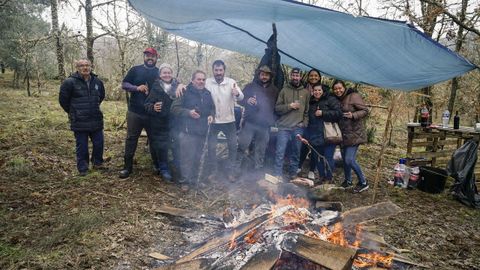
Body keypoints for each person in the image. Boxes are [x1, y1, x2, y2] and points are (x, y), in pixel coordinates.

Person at [59, 59, 105, 176]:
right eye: (82, 66)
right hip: (79, 120)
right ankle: (83, 168)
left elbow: (101, 96)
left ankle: (97, 163)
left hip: (95, 118)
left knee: (99, 143)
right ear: (77, 68)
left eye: (87, 65)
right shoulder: (69, 82)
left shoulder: (97, 82)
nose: (85, 68)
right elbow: (63, 100)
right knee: (82, 146)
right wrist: (73, 112)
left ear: (91, 67)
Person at [171, 70, 215, 191]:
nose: (201, 81)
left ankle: (196, 180)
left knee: (199, 157)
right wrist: (188, 112)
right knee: (186, 158)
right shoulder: (184, 92)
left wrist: (211, 115)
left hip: (202, 131)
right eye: (198, 79)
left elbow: (212, 108)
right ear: (192, 80)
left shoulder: (207, 93)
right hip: (187, 132)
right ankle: (185, 182)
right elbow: (174, 108)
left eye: (203, 79)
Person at [119, 47, 160, 178]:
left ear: (156, 58)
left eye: (152, 56)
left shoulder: (159, 73)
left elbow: (169, 86)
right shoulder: (135, 70)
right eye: (147, 55)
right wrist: (136, 88)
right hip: (135, 112)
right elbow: (124, 84)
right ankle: (127, 167)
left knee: (154, 139)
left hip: (153, 113)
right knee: (131, 139)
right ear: (144, 57)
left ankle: (156, 165)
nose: (150, 58)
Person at [235, 65, 278, 176]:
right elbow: (239, 100)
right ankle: (236, 169)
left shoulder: (274, 90)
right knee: (242, 146)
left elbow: (277, 107)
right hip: (250, 123)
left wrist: (272, 120)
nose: (264, 76)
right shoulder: (250, 86)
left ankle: (257, 171)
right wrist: (247, 100)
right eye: (262, 74)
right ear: (259, 75)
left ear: (270, 76)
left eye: (267, 75)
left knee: (261, 150)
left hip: (265, 125)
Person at [205, 60, 243, 180]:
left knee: (233, 146)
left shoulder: (231, 82)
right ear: (213, 70)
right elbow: (196, 88)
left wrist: (236, 94)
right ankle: (213, 171)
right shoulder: (207, 82)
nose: (218, 72)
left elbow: (241, 97)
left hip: (229, 120)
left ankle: (230, 172)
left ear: (224, 70)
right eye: (216, 70)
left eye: (220, 70)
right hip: (213, 120)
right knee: (211, 147)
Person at [332, 80, 369, 193]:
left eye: (340, 88)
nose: (338, 90)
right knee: (345, 159)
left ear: (344, 87)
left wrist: (353, 115)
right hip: (343, 135)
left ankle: (363, 182)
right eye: (335, 89)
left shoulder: (353, 96)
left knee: (349, 159)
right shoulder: (337, 100)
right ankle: (348, 181)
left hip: (354, 134)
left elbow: (365, 110)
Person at [273, 68, 309, 180]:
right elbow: (277, 109)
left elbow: (307, 112)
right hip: (284, 127)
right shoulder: (284, 90)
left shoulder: (305, 93)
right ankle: (277, 174)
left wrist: (304, 123)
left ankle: (293, 174)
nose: (295, 77)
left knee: (296, 152)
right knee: (280, 152)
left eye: (297, 75)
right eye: (293, 75)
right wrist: (290, 106)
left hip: (298, 128)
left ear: (300, 77)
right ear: (290, 76)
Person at [144, 64, 177, 182]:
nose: (167, 75)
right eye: (164, 73)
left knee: (176, 145)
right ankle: (164, 169)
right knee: (162, 147)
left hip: (175, 123)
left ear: (172, 74)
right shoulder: (156, 87)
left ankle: (177, 167)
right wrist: (153, 107)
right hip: (159, 123)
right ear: (160, 75)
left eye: (169, 72)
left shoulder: (178, 86)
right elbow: (147, 104)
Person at [307, 82, 342, 183]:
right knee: (318, 158)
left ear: (323, 91)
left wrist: (323, 113)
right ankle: (322, 178)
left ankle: (329, 178)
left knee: (328, 157)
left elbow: (338, 113)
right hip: (315, 135)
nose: (317, 92)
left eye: (319, 90)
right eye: (315, 90)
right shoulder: (311, 102)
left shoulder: (330, 99)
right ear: (312, 92)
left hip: (328, 134)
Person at [299, 68, 322, 179]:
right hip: (307, 124)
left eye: (316, 76)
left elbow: (332, 109)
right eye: (311, 75)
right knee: (304, 146)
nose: (313, 77)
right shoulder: (304, 88)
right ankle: (299, 166)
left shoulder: (324, 93)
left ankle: (312, 170)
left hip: (319, 127)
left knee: (314, 148)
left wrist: (323, 112)